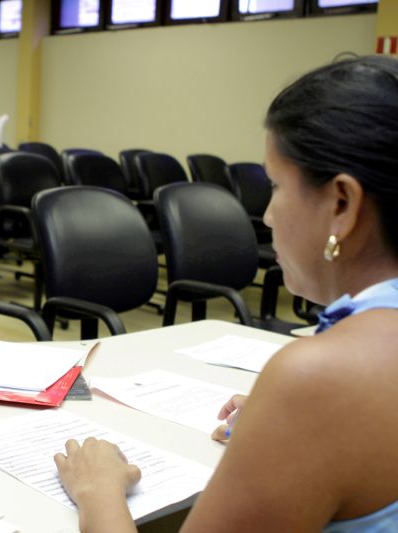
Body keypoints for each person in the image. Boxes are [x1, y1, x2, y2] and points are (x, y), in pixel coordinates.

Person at [54, 55, 398, 532]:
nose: (270, 216)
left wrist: (97, 492)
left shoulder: (322, 378)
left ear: (342, 203)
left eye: (276, 186)